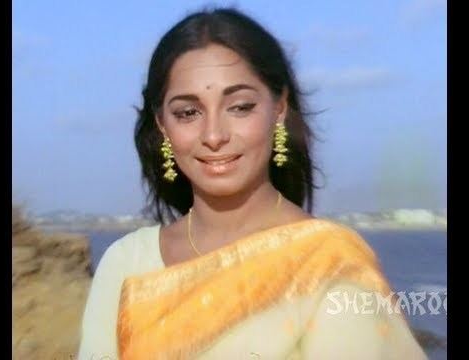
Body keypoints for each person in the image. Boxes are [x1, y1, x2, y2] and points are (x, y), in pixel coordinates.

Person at [78, 7, 427, 360]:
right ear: (163, 125)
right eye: (188, 113)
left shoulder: (328, 262)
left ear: (278, 108)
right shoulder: (126, 263)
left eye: (240, 107)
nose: (214, 135)